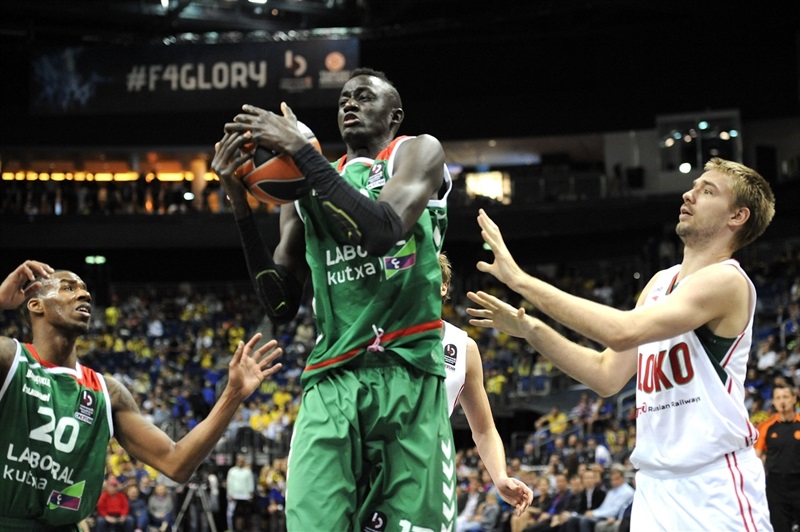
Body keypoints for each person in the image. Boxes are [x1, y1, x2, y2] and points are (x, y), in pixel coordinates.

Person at [466, 157, 776, 530]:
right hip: (653, 487)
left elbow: (622, 331)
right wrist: (531, 329)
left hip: (713, 484)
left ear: (737, 217)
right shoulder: (661, 282)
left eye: (707, 191)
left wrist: (522, 282)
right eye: (694, 186)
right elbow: (605, 374)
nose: (689, 194)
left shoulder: (727, 281)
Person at [212, 67, 456, 530]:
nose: (350, 103)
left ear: (394, 114)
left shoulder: (417, 152)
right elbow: (279, 303)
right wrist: (239, 204)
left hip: (407, 371)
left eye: (364, 97)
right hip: (332, 379)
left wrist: (304, 153)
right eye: (344, 98)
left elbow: (383, 230)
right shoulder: (304, 190)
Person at [0, 260, 283, 530]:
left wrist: (232, 395)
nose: (84, 294)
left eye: (85, 288)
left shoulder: (106, 392)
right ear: (36, 305)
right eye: (68, 288)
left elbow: (177, 463)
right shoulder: (10, 358)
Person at [440, 252, 533, 515]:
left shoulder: (463, 347)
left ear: (444, 285)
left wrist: (500, 476)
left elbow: (483, 430)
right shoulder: (379, 336)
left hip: (431, 470)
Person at [755, 382, 800, 532]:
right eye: (778, 397)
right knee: (780, 527)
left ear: (794, 399)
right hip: (776, 487)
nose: (782, 401)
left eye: (786, 397)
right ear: (773, 401)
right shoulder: (766, 426)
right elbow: (757, 457)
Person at [562, 464, 634, 532]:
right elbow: (604, 507)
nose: (613, 482)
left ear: (622, 478)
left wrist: (594, 513)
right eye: (612, 479)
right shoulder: (611, 491)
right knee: (572, 520)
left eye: (616, 479)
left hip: (610, 517)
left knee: (585, 520)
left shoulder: (627, 492)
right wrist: (593, 513)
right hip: (602, 514)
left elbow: (614, 510)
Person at [226, 454, 255, 532]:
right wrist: (229, 494)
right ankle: (235, 529)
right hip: (235, 496)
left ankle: (244, 529)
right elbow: (230, 483)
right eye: (239, 461)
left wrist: (250, 494)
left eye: (242, 461)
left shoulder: (247, 471)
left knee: (245, 514)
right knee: (235, 514)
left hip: (245, 496)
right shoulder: (232, 471)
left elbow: (250, 483)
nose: (240, 462)